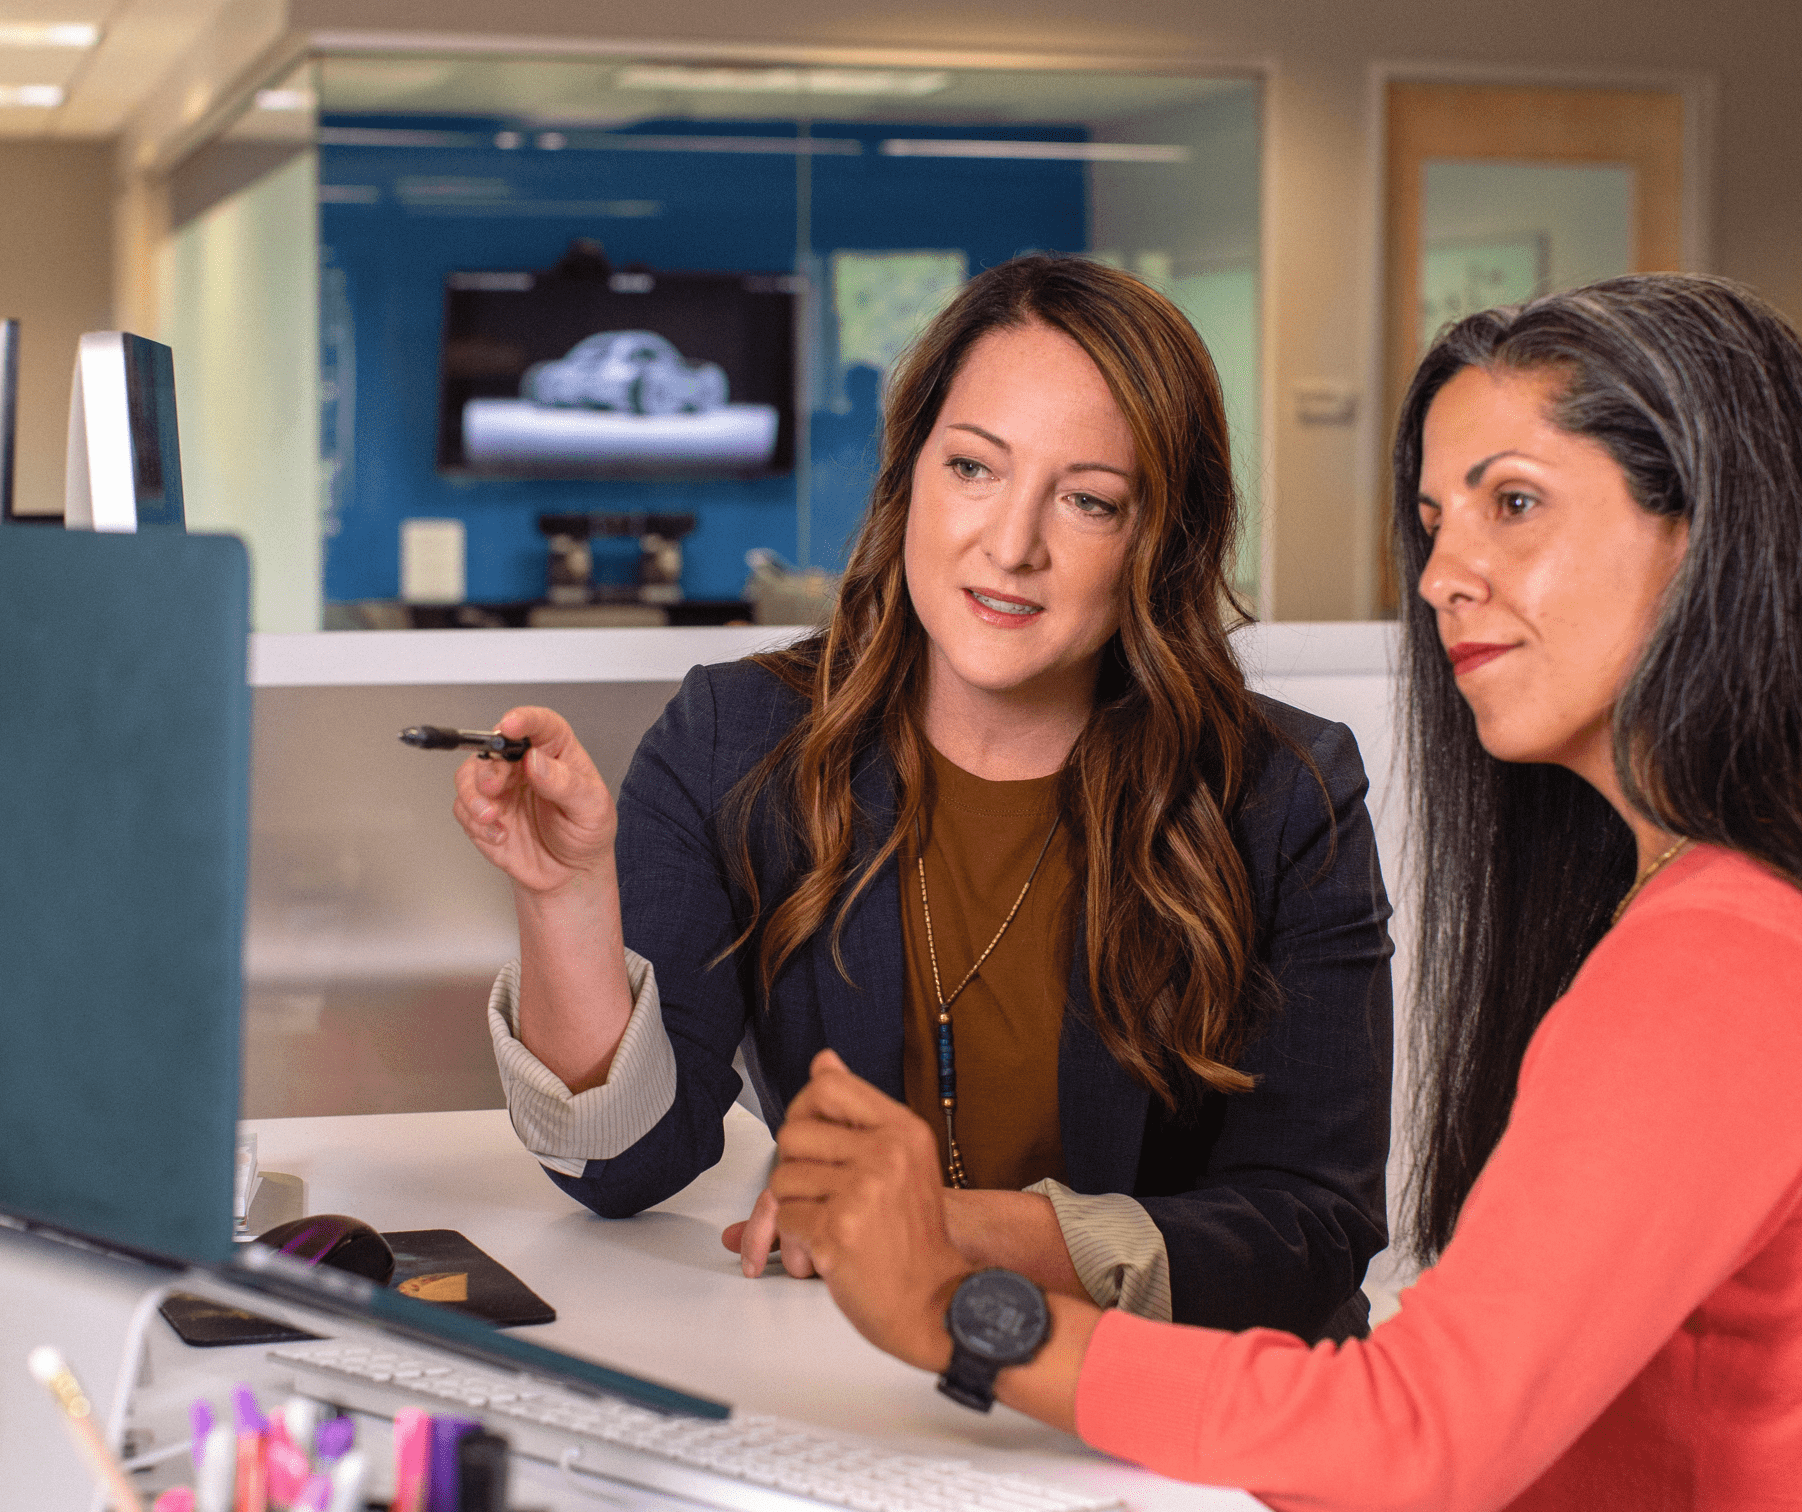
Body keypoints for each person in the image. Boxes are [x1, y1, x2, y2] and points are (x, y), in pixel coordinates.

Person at [765, 273, 1802, 1504]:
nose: (1446, 572)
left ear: (1706, 535)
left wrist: (961, 1313)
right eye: (1437, 519)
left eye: (1515, 503)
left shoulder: (1733, 952)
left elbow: (1422, 1435)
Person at [450, 253, 1394, 1338]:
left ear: (1158, 542)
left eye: (1088, 500)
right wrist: (566, 895)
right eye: (974, 469)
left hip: (1162, 1414)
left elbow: (1310, 1233)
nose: (1010, 545)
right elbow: (621, 1167)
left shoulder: (1281, 791)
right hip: (861, 1386)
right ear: (910, 477)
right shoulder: (737, 740)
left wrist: (947, 1227)